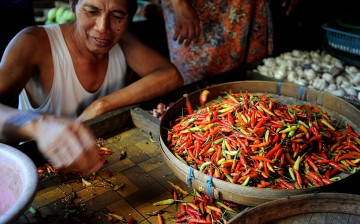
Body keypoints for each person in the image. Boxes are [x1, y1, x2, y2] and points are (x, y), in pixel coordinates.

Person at [0, 0, 183, 176]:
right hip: (40, 168)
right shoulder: (33, 42)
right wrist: (38, 126)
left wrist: (100, 105)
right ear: (72, 5)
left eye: (117, 15)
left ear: (130, 16)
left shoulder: (123, 41)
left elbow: (170, 76)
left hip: (104, 158)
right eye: (92, 11)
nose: (103, 28)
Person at [161, 0, 298, 84]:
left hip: (246, 6)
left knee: (250, 70)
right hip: (199, 8)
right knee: (198, 80)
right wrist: (179, 3)